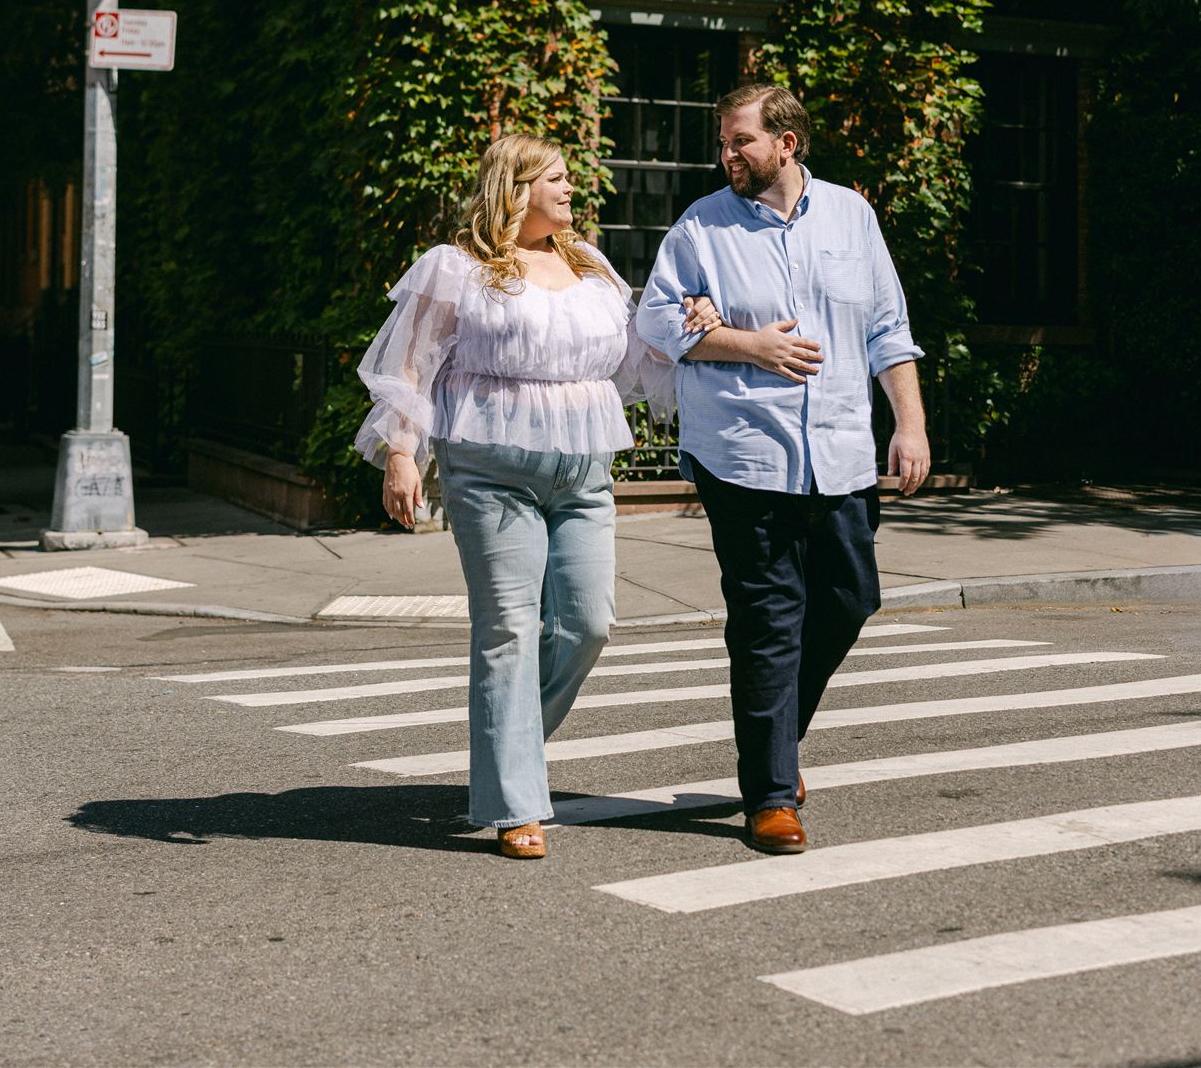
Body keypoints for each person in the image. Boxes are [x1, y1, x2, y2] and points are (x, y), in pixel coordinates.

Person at [354, 133, 716, 859]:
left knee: (589, 623)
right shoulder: (457, 269)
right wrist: (401, 452)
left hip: (582, 469)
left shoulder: (591, 267)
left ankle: (511, 743)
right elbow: (409, 367)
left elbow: (639, 353)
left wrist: (692, 322)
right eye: (555, 178)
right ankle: (515, 801)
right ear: (514, 188)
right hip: (489, 469)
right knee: (508, 631)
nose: (571, 188)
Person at [637, 83, 930, 855]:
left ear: (786, 144)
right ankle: (768, 794)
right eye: (725, 144)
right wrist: (747, 343)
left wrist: (910, 424)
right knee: (768, 622)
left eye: (741, 142)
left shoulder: (850, 216)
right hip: (742, 455)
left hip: (840, 453)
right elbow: (659, 320)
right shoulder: (703, 226)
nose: (727, 156)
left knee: (849, 597)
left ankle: (778, 745)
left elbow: (888, 328)